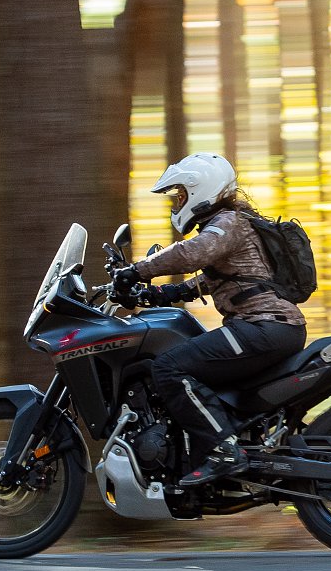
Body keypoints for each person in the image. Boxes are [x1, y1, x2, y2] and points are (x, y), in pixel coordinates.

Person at [113, 153, 307, 487]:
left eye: (180, 196)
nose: (177, 203)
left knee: (168, 368)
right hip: (269, 327)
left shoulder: (228, 223)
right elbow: (219, 279)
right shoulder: (232, 224)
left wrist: (136, 270)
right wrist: (162, 294)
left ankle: (224, 450)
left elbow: (192, 253)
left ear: (201, 189)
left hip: (263, 326)